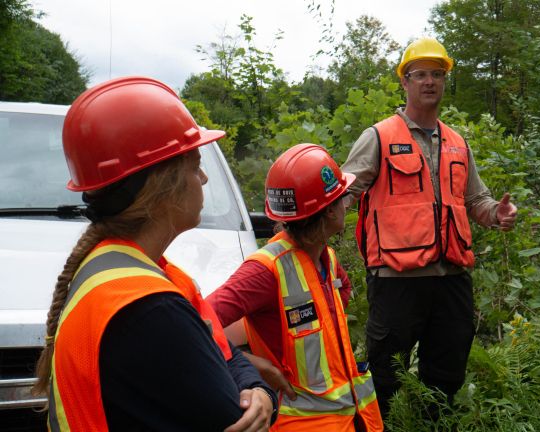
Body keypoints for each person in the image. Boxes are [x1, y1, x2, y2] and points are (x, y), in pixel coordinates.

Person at [33, 76, 277, 431]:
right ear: (163, 185)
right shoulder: (150, 308)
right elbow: (237, 419)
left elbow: (224, 352)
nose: (204, 178)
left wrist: (257, 388)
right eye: (195, 165)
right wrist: (262, 397)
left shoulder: (126, 271)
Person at [340, 37, 518, 418]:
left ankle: (432, 425)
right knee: (387, 377)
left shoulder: (457, 143)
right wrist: (314, 235)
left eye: (437, 74)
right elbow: (344, 193)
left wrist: (497, 215)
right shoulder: (378, 137)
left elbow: (476, 202)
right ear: (405, 82)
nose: (429, 82)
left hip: (451, 278)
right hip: (395, 279)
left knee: (447, 375)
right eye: (419, 74)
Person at [207, 143, 384, 431]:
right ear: (327, 212)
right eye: (342, 198)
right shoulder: (265, 270)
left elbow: (332, 313)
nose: (346, 204)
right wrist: (251, 363)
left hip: (352, 419)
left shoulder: (327, 257)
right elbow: (195, 323)